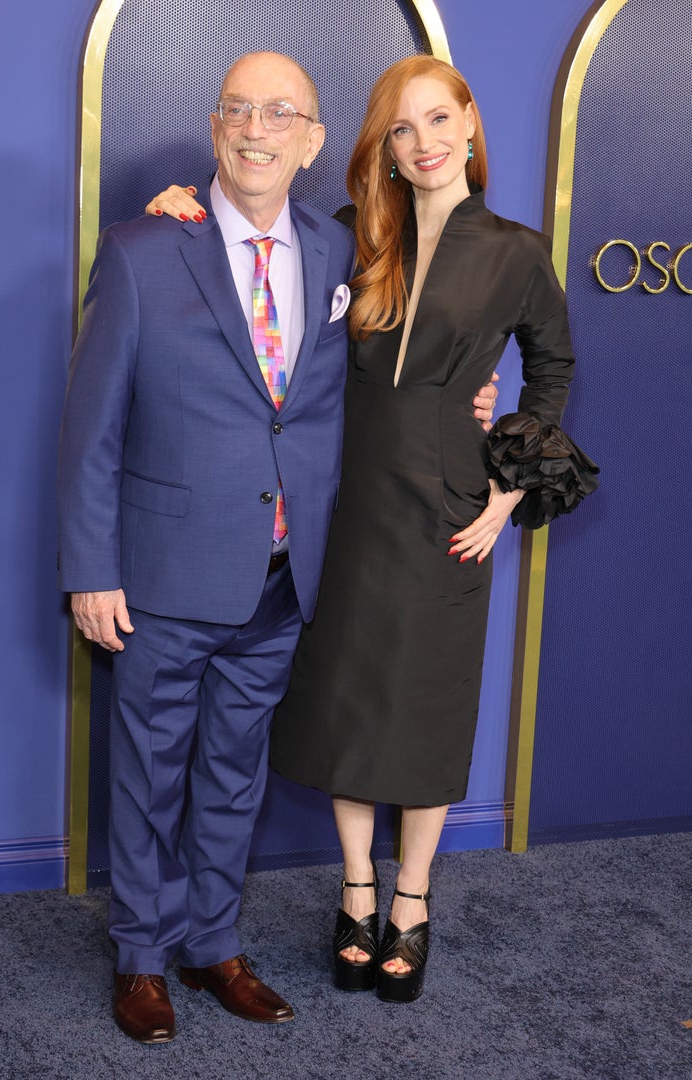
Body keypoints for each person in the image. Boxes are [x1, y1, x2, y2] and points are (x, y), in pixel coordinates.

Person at [60, 49, 498, 1041]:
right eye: (237, 110)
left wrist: (474, 397)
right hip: (162, 577)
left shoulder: (344, 253)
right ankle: (140, 957)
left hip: (283, 581)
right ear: (218, 127)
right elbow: (90, 430)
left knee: (233, 776)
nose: (255, 130)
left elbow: (397, 370)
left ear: (310, 141)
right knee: (148, 774)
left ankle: (213, 946)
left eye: (280, 114)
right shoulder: (143, 247)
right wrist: (90, 568)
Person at [148, 54, 598, 1006]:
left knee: (426, 709)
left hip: (447, 516)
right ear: (383, 149)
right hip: (343, 509)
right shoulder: (351, 234)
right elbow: (244, 243)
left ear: (471, 126)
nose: (424, 143)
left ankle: (411, 899)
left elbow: (552, 371)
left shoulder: (515, 250)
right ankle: (356, 887)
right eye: (403, 128)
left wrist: (507, 495)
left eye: (439, 121)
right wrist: (176, 207)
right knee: (351, 702)